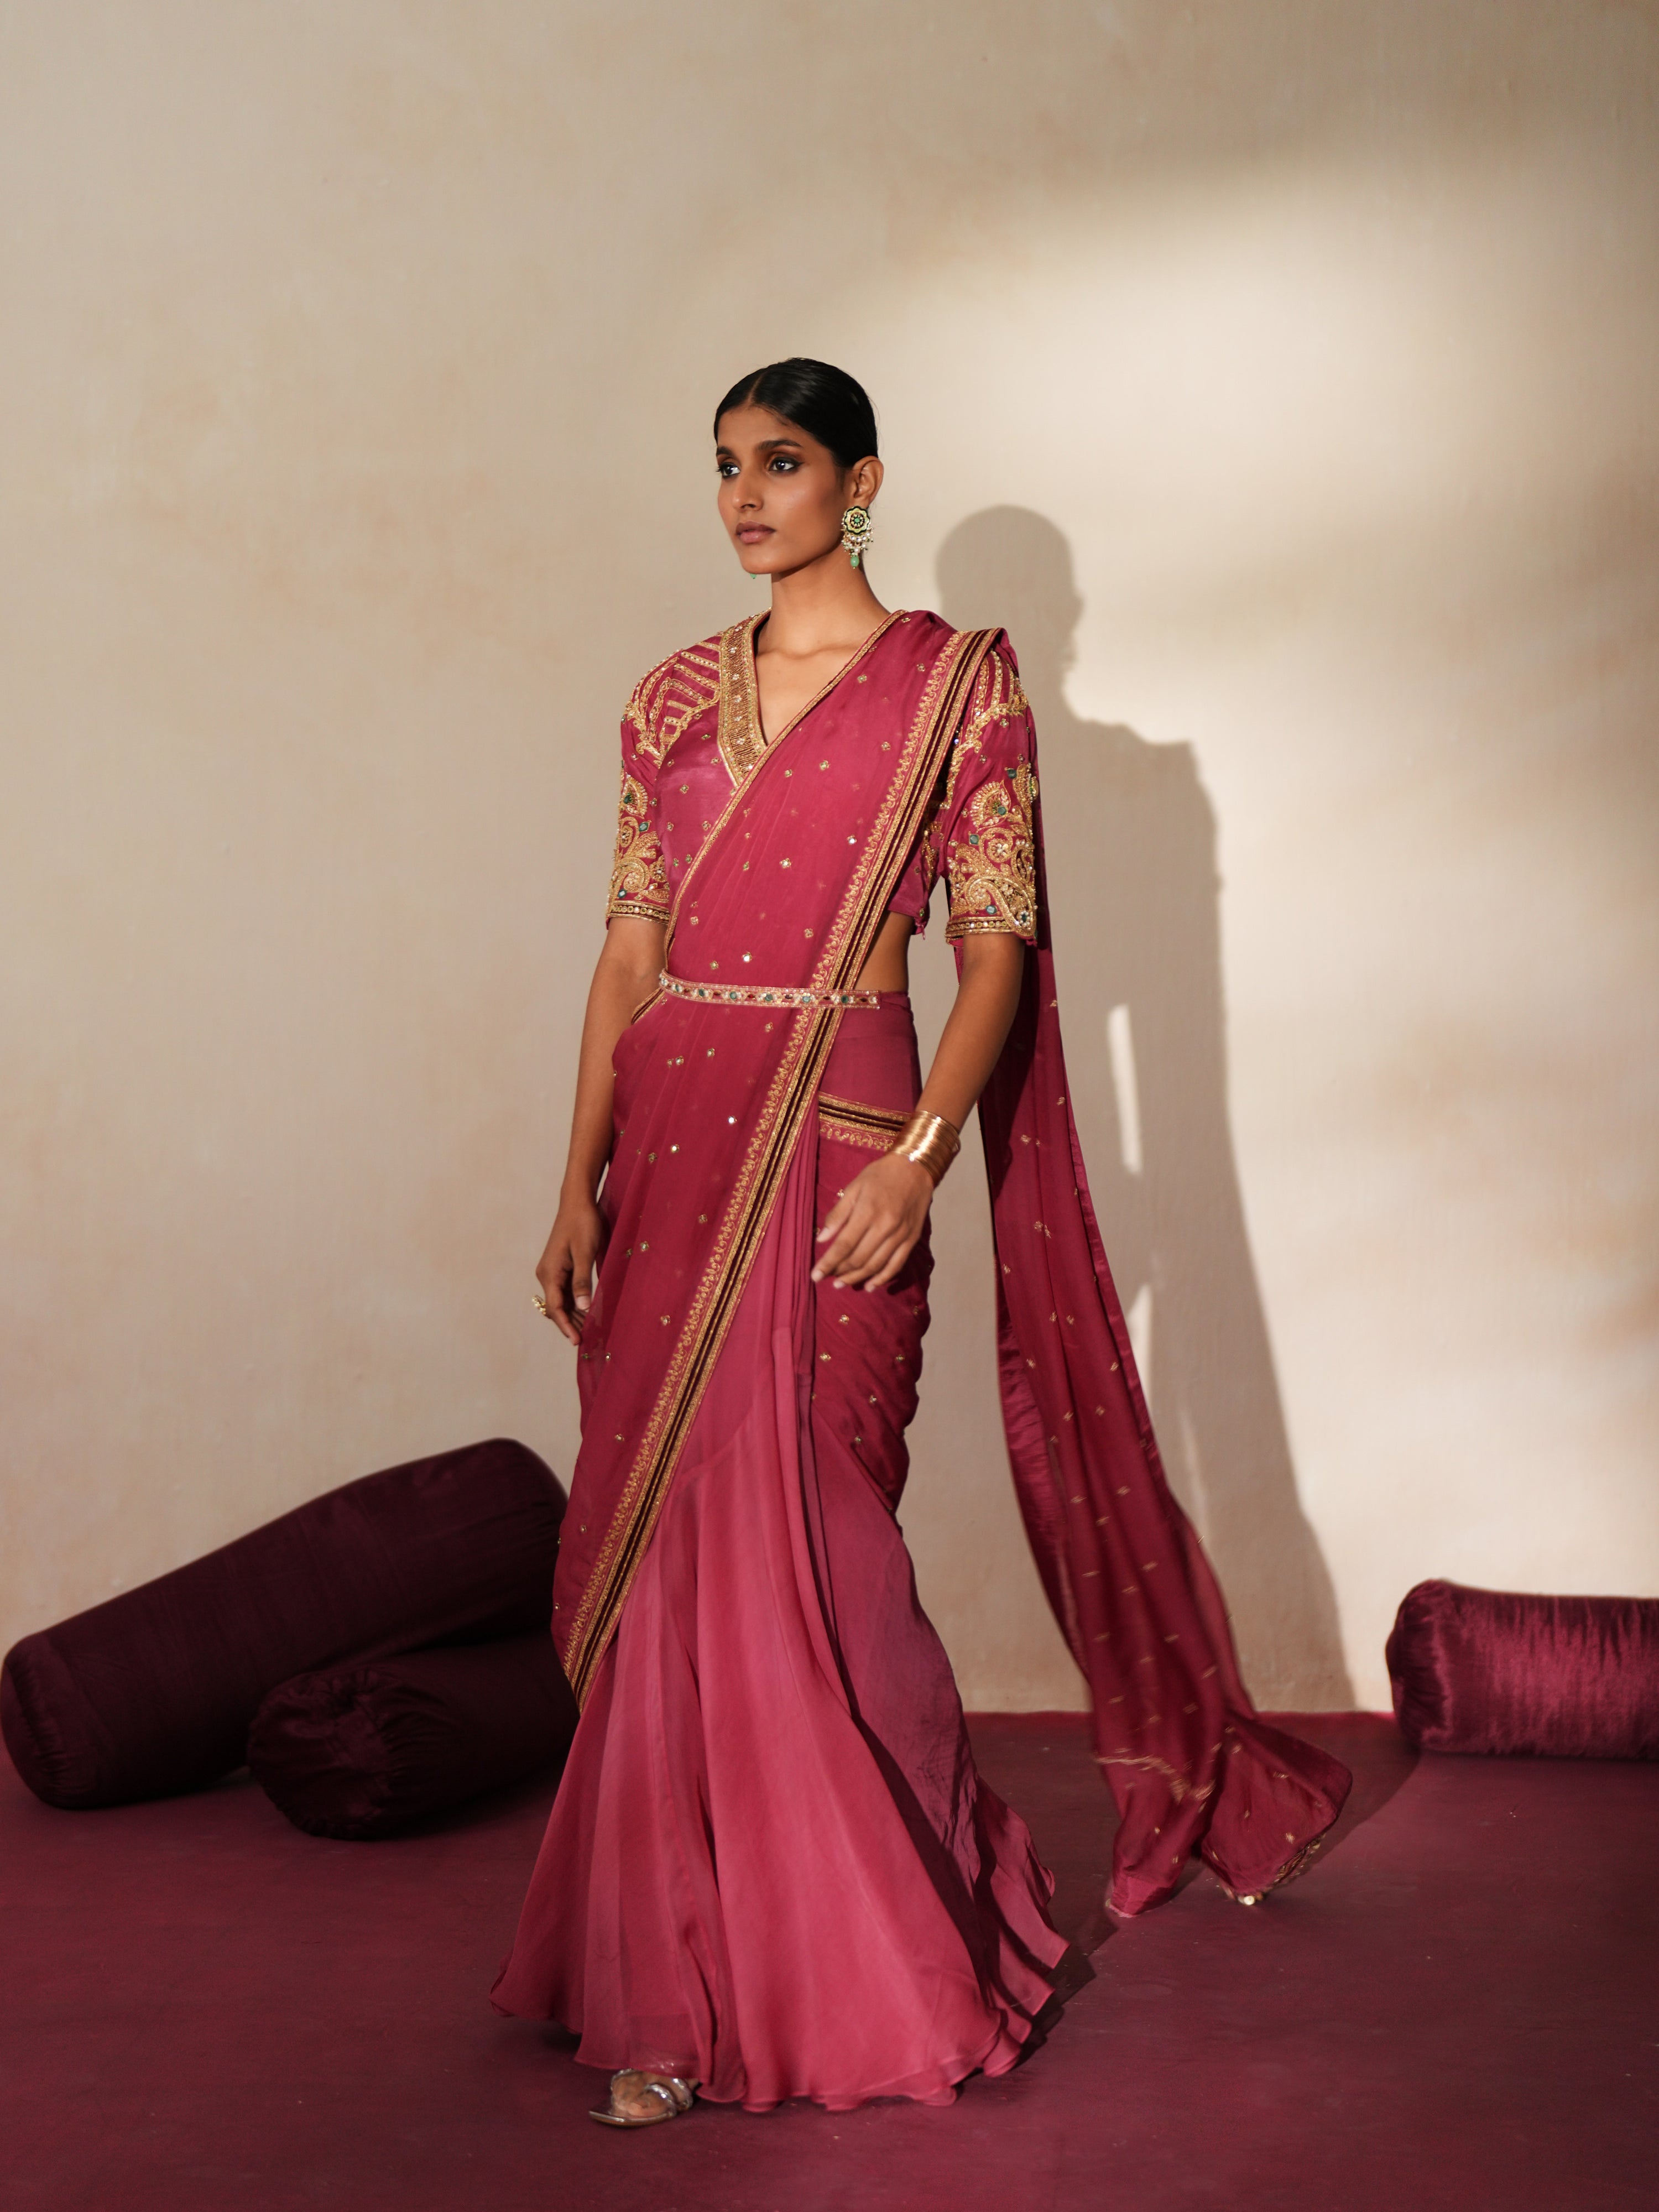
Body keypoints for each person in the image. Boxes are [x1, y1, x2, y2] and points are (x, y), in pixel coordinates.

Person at [492, 359, 1350, 2126]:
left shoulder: (961, 689)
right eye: (725, 466)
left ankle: (898, 1944)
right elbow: (631, 958)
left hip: (848, 1125)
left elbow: (997, 956)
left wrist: (929, 1152)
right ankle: (665, 1983)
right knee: (669, 1572)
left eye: (782, 463)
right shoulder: (664, 700)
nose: (745, 494)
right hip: (668, 1148)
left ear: (859, 481)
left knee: (823, 1539)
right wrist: (573, 1175)